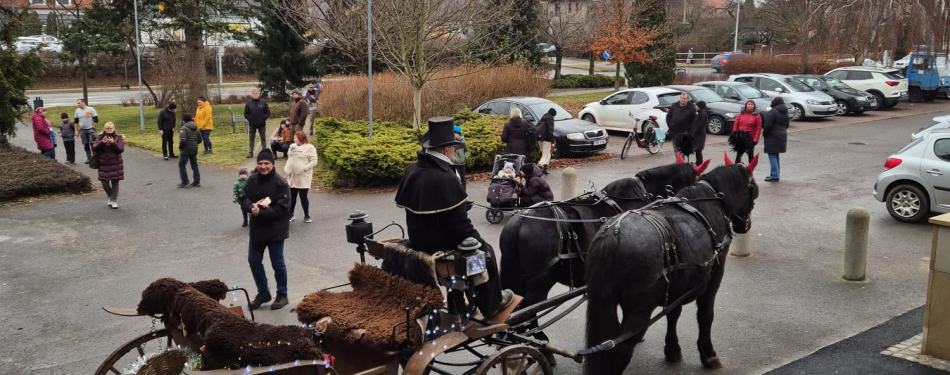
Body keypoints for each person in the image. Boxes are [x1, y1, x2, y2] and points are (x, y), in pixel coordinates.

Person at [395, 116, 514, 318]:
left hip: (417, 239)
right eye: (453, 148)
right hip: (440, 241)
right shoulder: (445, 176)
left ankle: (461, 298)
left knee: (475, 247)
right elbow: (460, 226)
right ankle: (491, 302)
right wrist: (478, 240)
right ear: (445, 150)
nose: (454, 152)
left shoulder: (412, 171)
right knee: (485, 252)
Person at [240, 148, 292, 311]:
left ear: (272, 164)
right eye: (260, 163)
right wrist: (251, 207)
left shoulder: (280, 183)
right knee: (253, 261)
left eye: (266, 163)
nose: (263, 166)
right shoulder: (252, 180)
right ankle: (263, 293)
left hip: (276, 230)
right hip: (257, 230)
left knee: (277, 263)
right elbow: (244, 198)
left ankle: (282, 294)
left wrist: (261, 211)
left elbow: (283, 209)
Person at [285, 131, 318, 223]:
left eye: (296, 138)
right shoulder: (292, 146)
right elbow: (290, 158)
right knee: (292, 196)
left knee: (303, 196)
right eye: (294, 138)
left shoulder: (309, 147)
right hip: (293, 176)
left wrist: (304, 168)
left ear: (301, 138)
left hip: (303, 176)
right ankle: (290, 214)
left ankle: (306, 215)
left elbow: (314, 161)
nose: (294, 139)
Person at [92, 122, 125, 209]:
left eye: (110, 128)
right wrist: (102, 142)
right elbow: (94, 148)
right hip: (103, 163)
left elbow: (121, 149)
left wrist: (113, 143)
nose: (109, 130)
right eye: (107, 128)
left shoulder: (119, 137)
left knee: (115, 182)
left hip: (115, 163)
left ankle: (113, 200)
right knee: (104, 182)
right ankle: (110, 196)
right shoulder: (100, 137)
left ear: (113, 129)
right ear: (104, 129)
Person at [762, 97, 790, 182]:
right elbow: (787, 125)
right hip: (782, 134)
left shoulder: (772, 112)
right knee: (776, 154)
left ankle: (774, 175)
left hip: (772, 136)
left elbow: (768, 125)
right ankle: (775, 173)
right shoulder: (785, 112)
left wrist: (764, 133)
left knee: (772, 155)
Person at [244, 89, 271, 158]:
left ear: (259, 94)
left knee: (263, 138)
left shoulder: (263, 102)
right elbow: (245, 114)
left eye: (257, 93)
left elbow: (268, 113)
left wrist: (263, 119)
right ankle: (250, 152)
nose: (255, 95)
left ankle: (264, 151)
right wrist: (250, 120)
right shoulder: (248, 103)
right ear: (252, 94)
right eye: (254, 93)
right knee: (251, 138)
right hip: (252, 124)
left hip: (261, 124)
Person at [177, 114, 202, 188]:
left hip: (185, 150)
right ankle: (196, 181)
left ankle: (184, 181)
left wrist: (180, 147)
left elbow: (183, 140)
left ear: (184, 120)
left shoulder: (183, 128)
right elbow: (200, 139)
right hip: (194, 149)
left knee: (182, 165)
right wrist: (194, 143)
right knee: (194, 165)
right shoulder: (196, 127)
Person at [75, 99, 98, 164]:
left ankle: (95, 158)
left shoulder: (90, 109)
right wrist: (76, 130)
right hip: (83, 130)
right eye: (77, 103)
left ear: (83, 102)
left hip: (90, 129)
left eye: (79, 103)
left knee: (92, 143)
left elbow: (96, 119)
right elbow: (76, 121)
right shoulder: (77, 111)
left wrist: (93, 127)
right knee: (86, 144)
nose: (78, 105)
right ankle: (89, 158)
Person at [535, 108, 556, 175]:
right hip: (546, 140)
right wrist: (552, 141)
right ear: (553, 115)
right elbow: (550, 132)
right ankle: (539, 166)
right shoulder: (550, 120)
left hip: (540, 139)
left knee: (545, 154)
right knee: (546, 155)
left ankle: (544, 169)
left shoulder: (543, 118)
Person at [692, 101, 710, 166]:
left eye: (696, 106)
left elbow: (700, 125)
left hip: (700, 135)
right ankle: (698, 162)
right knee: (697, 150)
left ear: (700, 107)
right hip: (697, 134)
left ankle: (699, 163)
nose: (695, 107)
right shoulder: (699, 113)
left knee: (698, 150)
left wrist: (694, 132)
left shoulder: (703, 114)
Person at [452, 125, 469, 189]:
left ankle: (464, 193)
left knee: (463, 179)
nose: (453, 134)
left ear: (458, 133)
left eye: (454, 133)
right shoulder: (452, 142)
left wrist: (465, 157)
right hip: (455, 164)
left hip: (462, 163)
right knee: (456, 180)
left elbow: (466, 150)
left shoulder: (463, 142)